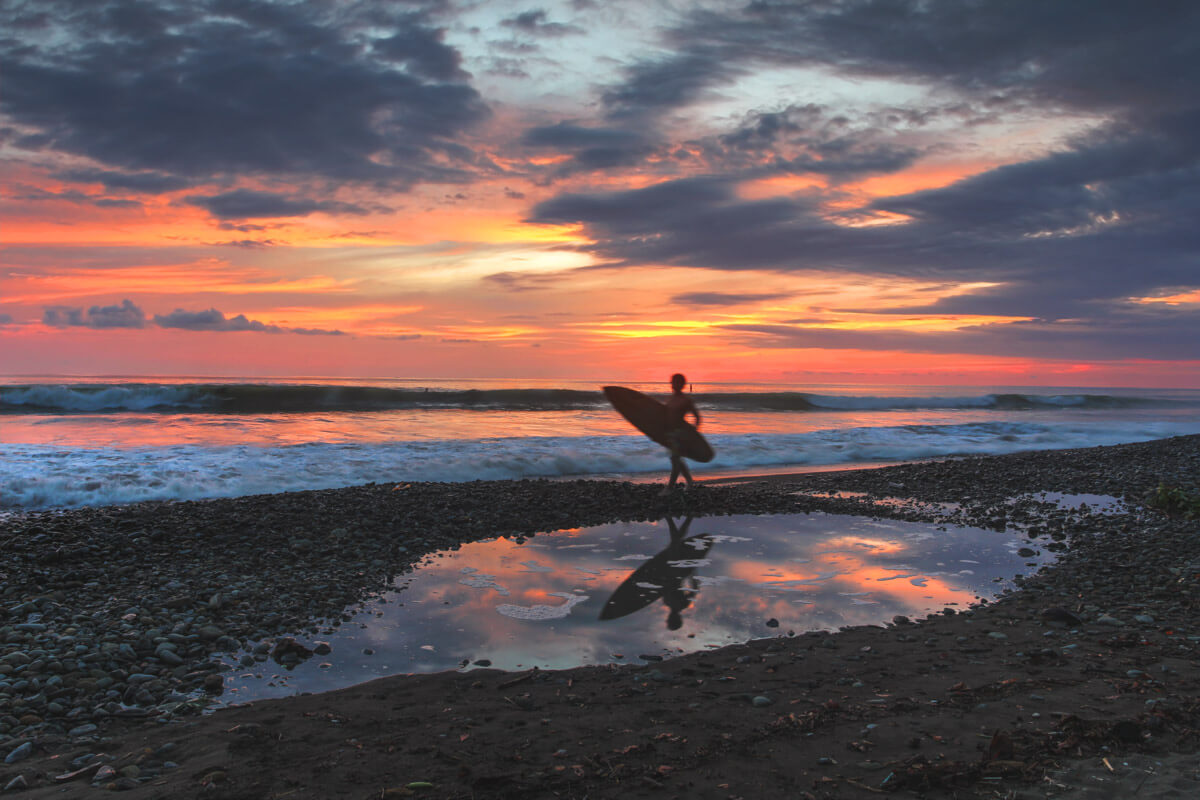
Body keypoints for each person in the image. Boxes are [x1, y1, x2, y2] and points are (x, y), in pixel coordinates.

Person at [664, 373, 701, 490]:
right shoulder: (670, 399)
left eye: (678, 382)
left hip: (681, 434)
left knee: (675, 460)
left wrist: (692, 434)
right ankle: (690, 482)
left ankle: (669, 488)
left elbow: (697, 417)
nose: (674, 384)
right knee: (676, 459)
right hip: (670, 434)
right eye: (673, 381)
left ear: (683, 384)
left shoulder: (686, 400)